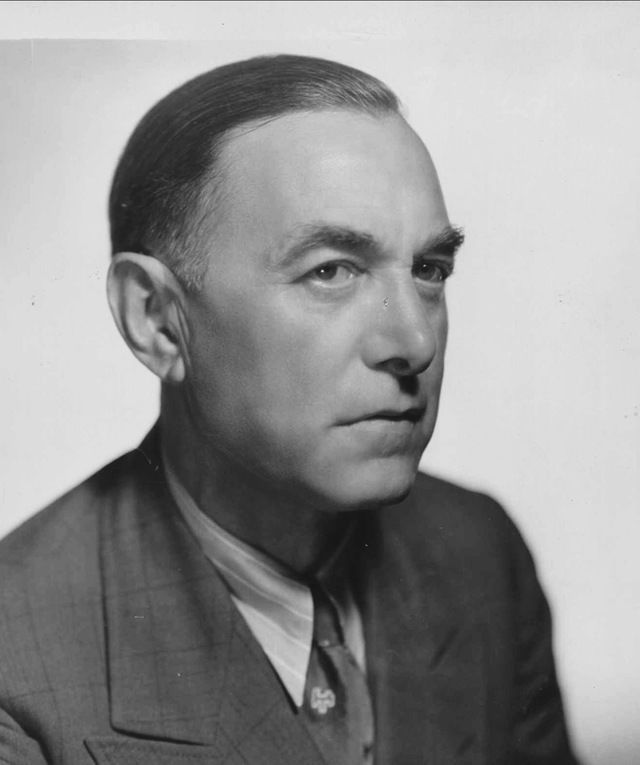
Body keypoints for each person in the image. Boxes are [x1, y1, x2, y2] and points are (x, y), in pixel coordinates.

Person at [0, 54, 578, 764]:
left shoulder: (479, 552)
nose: (415, 342)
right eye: (330, 270)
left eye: (429, 269)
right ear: (156, 320)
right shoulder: (16, 674)